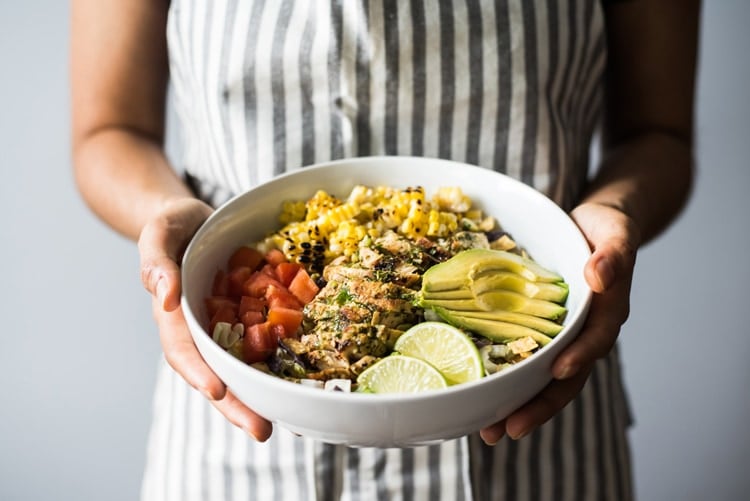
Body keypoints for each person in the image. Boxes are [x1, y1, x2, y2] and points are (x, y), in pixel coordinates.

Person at [70, 0, 699, 499]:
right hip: (239, 437)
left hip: (535, 413)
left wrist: (614, 215)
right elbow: (108, 132)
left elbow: (659, 136)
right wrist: (172, 225)